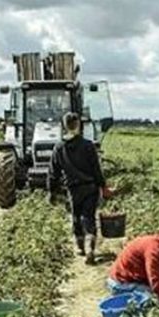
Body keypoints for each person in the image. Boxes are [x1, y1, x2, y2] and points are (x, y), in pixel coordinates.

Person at [49, 112, 106, 264]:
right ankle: (90, 249)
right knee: (88, 217)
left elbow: (53, 172)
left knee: (76, 217)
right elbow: (96, 169)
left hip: (73, 189)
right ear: (79, 125)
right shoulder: (88, 146)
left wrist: (52, 191)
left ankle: (80, 247)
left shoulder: (59, 147)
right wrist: (103, 186)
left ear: (64, 126)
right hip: (90, 188)